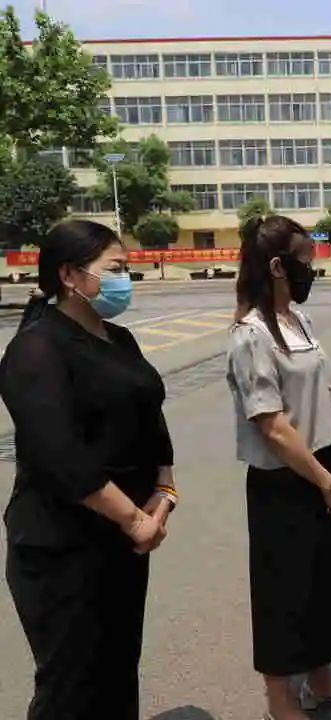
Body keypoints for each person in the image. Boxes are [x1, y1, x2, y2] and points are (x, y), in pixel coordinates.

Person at [0, 220, 175, 720]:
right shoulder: (36, 348)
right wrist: (133, 518)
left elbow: (150, 415)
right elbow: (60, 455)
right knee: (71, 685)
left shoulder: (119, 338)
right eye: (114, 269)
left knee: (117, 668)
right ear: (69, 275)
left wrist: (164, 492)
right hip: (62, 547)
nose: (125, 279)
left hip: (124, 540)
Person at [226, 215, 331, 720]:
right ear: (277, 266)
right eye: (306, 258)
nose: (313, 267)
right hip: (283, 480)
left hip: (320, 466)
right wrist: (325, 481)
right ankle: (280, 700)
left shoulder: (299, 320)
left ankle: (321, 679)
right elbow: (272, 425)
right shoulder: (251, 335)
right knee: (283, 592)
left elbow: (320, 398)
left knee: (322, 585)